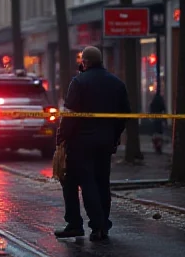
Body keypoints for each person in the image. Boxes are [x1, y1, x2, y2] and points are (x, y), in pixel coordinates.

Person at [55, 46, 131, 241]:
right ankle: (95, 223)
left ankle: (94, 225)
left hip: (80, 142)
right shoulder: (117, 83)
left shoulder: (79, 82)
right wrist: (114, 136)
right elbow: (124, 115)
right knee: (101, 182)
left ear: (85, 62)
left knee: (81, 181)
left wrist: (61, 138)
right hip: (105, 142)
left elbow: (70, 115)